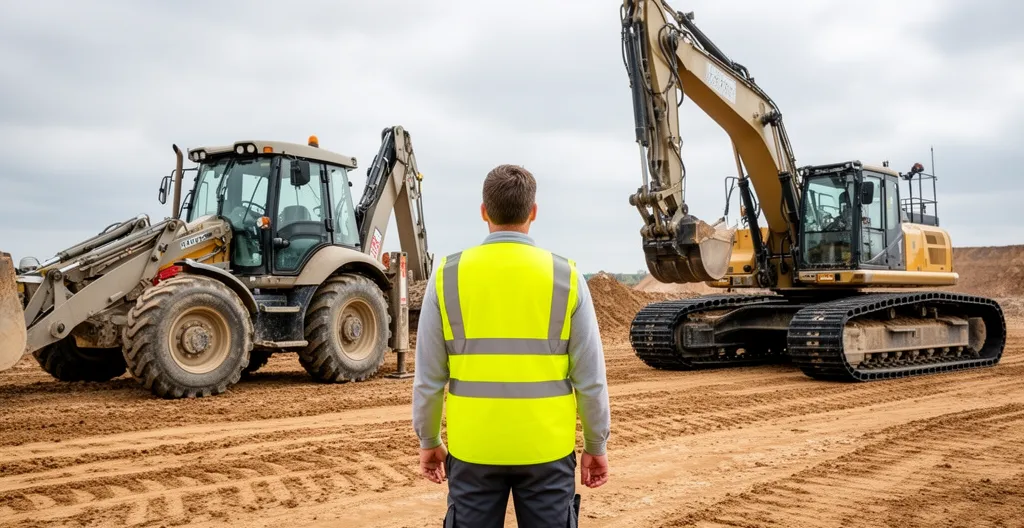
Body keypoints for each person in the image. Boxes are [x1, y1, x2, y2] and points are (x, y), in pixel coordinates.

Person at [412, 164, 611, 527]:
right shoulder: (566, 277)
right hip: (547, 450)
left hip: (474, 449)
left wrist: (428, 440)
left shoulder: (446, 276)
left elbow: (428, 379)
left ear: (484, 211)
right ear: (533, 212)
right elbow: (591, 380)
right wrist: (596, 446)